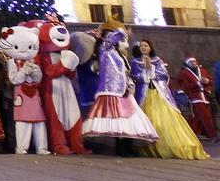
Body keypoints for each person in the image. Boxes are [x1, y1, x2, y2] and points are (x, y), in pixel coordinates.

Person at [83, 25, 157, 153]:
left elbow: (125, 72)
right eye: (122, 40)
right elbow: (111, 39)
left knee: (128, 118)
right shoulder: (104, 49)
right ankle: (121, 148)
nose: (125, 43)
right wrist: (122, 32)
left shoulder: (118, 55)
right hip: (111, 89)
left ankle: (128, 147)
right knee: (117, 119)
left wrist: (129, 84)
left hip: (124, 90)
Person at [130, 40, 208, 160]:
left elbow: (164, 75)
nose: (143, 48)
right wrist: (145, 72)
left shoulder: (158, 60)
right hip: (144, 94)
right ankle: (150, 147)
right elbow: (135, 76)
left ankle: (174, 145)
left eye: (146, 46)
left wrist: (151, 68)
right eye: (141, 46)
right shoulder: (135, 62)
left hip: (160, 94)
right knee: (149, 119)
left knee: (167, 118)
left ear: (150, 48)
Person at [178, 56, 217, 142]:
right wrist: (197, 83)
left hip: (205, 97)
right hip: (195, 97)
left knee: (198, 117)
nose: (193, 63)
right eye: (191, 62)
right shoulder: (184, 73)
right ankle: (213, 135)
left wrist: (207, 82)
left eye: (194, 61)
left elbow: (210, 82)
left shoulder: (203, 71)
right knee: (206, 116)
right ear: (187, 64)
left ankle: (190, 133)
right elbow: (185, 86)